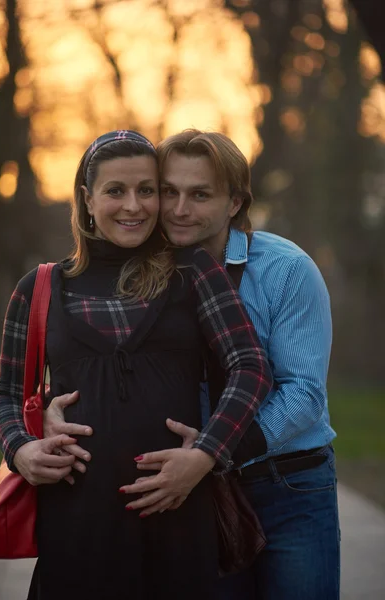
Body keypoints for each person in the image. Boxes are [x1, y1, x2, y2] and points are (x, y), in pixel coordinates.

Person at [0, 130, 272, 600]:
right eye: (115, 191)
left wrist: (204, 456)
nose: (134, 206)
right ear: (87, 198)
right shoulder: (38, 288)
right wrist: (20, 450)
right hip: (77, 526)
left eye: (146, 190)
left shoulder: (193, 271)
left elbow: (250, 367)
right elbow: (5, 395)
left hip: (178, 517)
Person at [121, 129, 340, 600]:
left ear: (235, 202)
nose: (180, 209)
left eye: (200, 195)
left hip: (289, 487)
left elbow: (303, 395)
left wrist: (210, 455)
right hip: (192, 492)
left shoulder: (286, 270)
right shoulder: (141, 273)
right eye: (169, 192)